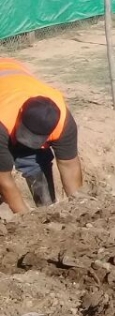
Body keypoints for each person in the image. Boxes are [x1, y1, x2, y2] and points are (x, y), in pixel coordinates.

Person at [0, 59, 83, 215]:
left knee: (32, 157)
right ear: (21, 112)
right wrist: (27, 219)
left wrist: (79, 208)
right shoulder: (3, 121)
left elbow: (69, 165)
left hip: (13, 83)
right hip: (4, 98)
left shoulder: (64, 123)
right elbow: (3, 178)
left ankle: (46, 207)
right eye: (25, 132)